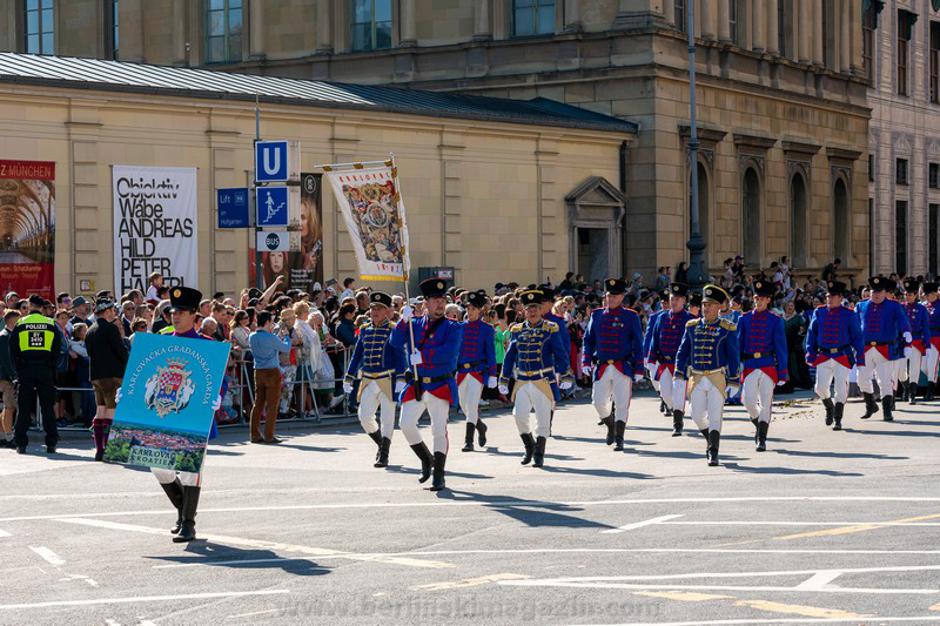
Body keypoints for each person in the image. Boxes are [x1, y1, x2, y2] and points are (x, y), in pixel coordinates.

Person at [145, 286, 224, 543]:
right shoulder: (162, 341)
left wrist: (217, 397)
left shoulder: (207, 345)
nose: (175, 316)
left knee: (191, 470)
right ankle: (182, 510)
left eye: (181, 312)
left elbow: (218, 379)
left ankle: (188, 523)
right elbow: (147, 374)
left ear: (194, 316)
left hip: (194, 416)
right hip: (164, 415)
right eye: (173, 311)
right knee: (158, 465)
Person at [390, 278, 463, 492]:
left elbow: (449, 354)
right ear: (426, 304)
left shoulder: (454, 327)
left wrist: (422, 356)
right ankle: (426, 459)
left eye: (443, 300)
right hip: (418, 384)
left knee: (439, 430)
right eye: (435, 300)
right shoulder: (414, 325)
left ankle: (438, 475)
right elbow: (394, 343)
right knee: (405, 424)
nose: (440, 304)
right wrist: (402, 321)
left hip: (440, 383)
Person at [498, 290, 573, 467]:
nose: (532, 311)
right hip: (522, 380)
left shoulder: (550, 329)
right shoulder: (517, 330)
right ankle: (529, 446)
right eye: (529, 308)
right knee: (519, 416)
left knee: (543, 418)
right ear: (523, 311)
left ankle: (539, 453)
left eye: (535, 308)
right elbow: (510, 356)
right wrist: (504, 378)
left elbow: (560, 353)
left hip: (543, 380)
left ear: (541, 310)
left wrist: (566, 373)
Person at [675, 285, 740, 467]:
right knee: (695, 415)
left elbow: (733, 356)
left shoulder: (727, 328)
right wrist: (678, 374)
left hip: (716, 377)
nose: (706, 308)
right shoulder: (692, 327)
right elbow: (683, 351)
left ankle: (713, 451)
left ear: (719, 307)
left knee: (714, 416)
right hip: (696, 377)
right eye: (704, 304)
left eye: (710, 305)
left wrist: (734, 380)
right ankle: (710, 438)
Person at [582, 278, 644, 451]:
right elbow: (588, 339)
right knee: (598, 402)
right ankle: (610, 424)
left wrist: (639, 367)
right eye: (609, 296)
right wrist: (585, 360)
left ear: (622, 296)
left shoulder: (631, 316)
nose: (612, 299)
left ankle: (620, 438)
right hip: (601, 365)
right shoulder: (597, 314)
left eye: (615, 296)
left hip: (622, 366)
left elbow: (638, 343)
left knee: (622, 403)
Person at [343, 292, 402, 468]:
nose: (374, 311)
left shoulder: (393, 329)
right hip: (368, 379)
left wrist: (400, 378)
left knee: (387, 419)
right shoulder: (364, 329)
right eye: (372, 308)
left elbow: (401, 355)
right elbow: (357, 355)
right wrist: (349, 376)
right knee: (364, 416)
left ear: (386, 311)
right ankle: (381, 443)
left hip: (388, 378)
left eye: (379, 309)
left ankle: (384, 454)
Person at [805, 280, 864, 430]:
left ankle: (838, 418)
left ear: (840, 298)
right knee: (820, 388)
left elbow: (857, 336)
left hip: (842, 355)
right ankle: (829, 406)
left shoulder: (848, 314)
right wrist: (810, 352)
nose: (829, 299)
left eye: (833, 296)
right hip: (824, 355)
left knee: (841, 388)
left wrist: (861, 357)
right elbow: (812, 334)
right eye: (828, 296)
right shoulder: (819, 312)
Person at [738, 279, 788, 451]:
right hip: (750, 364)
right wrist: (736, 365)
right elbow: (738, 344)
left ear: (768, 300)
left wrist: (783, 371)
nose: (758, 301)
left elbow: (781, 348)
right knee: (748, 401)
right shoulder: (744, 319)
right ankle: (760, 424)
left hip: (767, 365)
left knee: (766, 402)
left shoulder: (775, 320)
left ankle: (762, 438)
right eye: (756, 298)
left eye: (762, 298)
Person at [9, 294, 61, 454]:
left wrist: (18, 369)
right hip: (45, 370)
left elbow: (13, 349)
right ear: (42, 307)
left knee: (24, 408)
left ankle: (21, 444)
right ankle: (51, 443)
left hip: (26, 370)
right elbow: (57, 349)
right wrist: (51, 367)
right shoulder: (51, 323)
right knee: (47, 408)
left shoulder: (21, 323)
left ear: (30, 305)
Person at [856, 276, 911, 422]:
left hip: (885, 348)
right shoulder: (861, 306)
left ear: (885, 292)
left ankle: (887, 411)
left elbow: (902, 321)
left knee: (885, 381)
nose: (876, 294)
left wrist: (907, 334)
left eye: (879, 292)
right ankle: (871, 405)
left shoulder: (893, 306)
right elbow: (854, 327)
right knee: (861, 379)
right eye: (874, 291)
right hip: (865, 347)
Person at [84, 299, 129, 461]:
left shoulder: (90, 330)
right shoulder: (110, 329)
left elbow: (89, 352)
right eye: (112, 310)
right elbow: (120, 352)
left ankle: (99, 449)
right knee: (111, 411)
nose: (114, 312)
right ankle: (109, 449)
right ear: (107, 311)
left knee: (100, 410)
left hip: (96, 375)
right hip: (112, 375)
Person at [647, 282, 694, 436]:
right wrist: (651, 360)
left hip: (681, 364)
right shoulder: (661, 317)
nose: (674, 302)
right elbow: (654, 339)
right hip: (664, 362)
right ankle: (676, 409)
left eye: (678, 299)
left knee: (679, 391)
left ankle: (678, 423)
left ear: (684, 301)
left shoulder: (691, 319)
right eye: (672, 298)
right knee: (665, 393)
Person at [457, 291, 497, 452]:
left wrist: (493, 374)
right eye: (468, 308)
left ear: (479, 310)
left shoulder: (487, 329)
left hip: (477, 371)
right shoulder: (459, 327)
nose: (470, 311)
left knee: (472, 405)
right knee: (463, 406)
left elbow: (490, 353)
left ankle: (468, 441)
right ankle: (480, 426)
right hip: (461, 372)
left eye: (473, 308)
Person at [248, 310, 291, 444]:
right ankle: (269, 435)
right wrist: (287, 337)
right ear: (266, 322)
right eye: (271, 322)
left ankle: (254, 434)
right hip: (272, 371)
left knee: (258, 404)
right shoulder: (271, 337)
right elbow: (286, 348)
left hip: (258, 371)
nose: (272, 324)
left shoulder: (252, 336)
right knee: (272, 405)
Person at [899, 277, 930, 404]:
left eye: (910, 294)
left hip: (916, 341)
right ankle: (905, 386)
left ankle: (912, 393)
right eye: (906, 294)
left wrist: (927, 343)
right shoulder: (900, 307)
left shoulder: (922, 309)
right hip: (902, 341)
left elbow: (926, 327)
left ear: (915, 295)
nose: (907, 296)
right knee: (901, 369)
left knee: (914, 368)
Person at [0, 310, 19, 448]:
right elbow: (6, 360)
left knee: (6, 407)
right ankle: (8, 437)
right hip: (6, 378)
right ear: (13, 321)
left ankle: (3, 435)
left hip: (6, 376)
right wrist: (13, 376)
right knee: (9, 407)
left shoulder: (6, 335)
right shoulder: (5, 336)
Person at [924, 281, 940, 401]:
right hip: (927, 337)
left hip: (937, 336)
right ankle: (934, 383)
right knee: (924, 366)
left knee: (932, 364)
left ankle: (930, 391)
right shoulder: (924, 306)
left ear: (935, 294)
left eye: (928, 294)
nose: (927, 296)